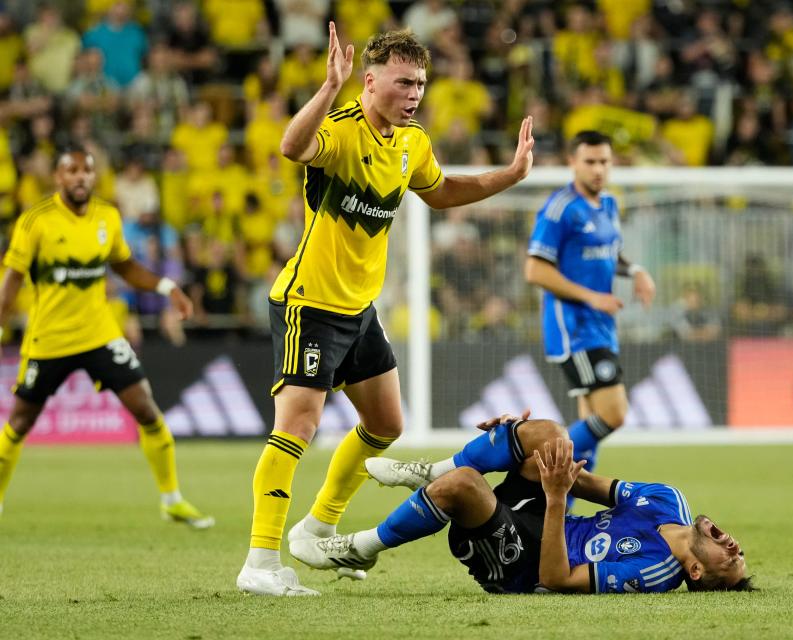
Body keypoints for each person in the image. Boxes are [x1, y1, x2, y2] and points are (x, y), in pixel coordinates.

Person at [236, 22, 535, 597]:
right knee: (296, 425)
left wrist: (511, 175)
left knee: (386, 425)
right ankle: (260, 562)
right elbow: (292, 147)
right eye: (403, 83)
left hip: (358, 310)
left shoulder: (411, 142)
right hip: (309, 303)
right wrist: (328, 89)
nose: (414, 94)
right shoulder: (342, 130)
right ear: (368, 82)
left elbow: (442, 191)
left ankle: (317, 526)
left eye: (420, 83)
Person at [291, 413, 754, 594]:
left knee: (465, 485)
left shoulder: (655, 573)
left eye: (728, 561)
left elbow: (556, 578)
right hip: (543, 514)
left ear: (695, 571)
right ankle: (430, 470)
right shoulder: (668, 500)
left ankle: (361, 547)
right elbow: (584, 482)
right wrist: (523, 446)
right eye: (739, 551)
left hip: (527, 565)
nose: (734, 548)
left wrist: (555, 500)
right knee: (552, 437)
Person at [0, 144, 212, 528]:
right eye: (71, 170)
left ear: (95, 176)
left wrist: (168, 288)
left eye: (87, 170)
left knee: (146, 410)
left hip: (99, 333)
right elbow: (12, 279)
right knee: (19, 423)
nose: (80, 177)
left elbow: (125, 266)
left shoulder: (107, 216)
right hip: (49, 338)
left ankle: (172, 499)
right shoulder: (36, 221)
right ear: (58, 177)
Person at [524, 130, 655, 478]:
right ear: (573, 163)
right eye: (590, 162)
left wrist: (636, 271)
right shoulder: (560, 209)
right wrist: (591, 296)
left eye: (604, 162)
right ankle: (532, 473)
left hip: (601, 327)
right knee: (615, 414)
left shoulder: (609, 204)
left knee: (589, 432)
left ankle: (560, 515)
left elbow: (610, 254)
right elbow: (535, 269)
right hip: (574, 328)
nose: (598, 169)